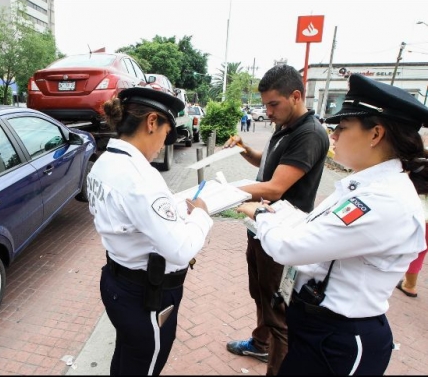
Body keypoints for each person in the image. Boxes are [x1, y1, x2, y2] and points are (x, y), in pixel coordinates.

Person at [235, 73, 428, 375]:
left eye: (343, 127)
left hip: (340, 337)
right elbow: (313, 226)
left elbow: (291, 248)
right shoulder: (364, 186)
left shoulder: (383, 200)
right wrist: (272, 213)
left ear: (375, 134)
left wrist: (259, 215)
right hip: (319, 327)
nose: (333, 135)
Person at [86, 87, 214, 375]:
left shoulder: (105, 162)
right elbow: (180, 248)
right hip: (147, 296)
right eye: (167, 133)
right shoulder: (140, 177)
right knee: (143, 365)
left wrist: (175, 208)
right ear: (152, 122)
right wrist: (202, 216)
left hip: (118, 281)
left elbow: (134, 217)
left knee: (126, 358)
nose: (163, 143)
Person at [223, 64, 330, 375]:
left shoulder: (309, 134)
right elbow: (268, 164)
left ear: (295, 96)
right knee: (260, 293)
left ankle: (276, 365)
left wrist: (225, 191)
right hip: (261, 227)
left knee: (277, 310)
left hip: (283, 234)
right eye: (264, 104)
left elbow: (275, 187)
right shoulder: (285, 127)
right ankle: (260, 343)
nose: (267, 112)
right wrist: (245, 150)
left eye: (273, 104)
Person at [396, 193, 428, 297]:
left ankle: (409, 285)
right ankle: (409, 285)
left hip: (422, 214)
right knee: (422, 250)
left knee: (417, 249)